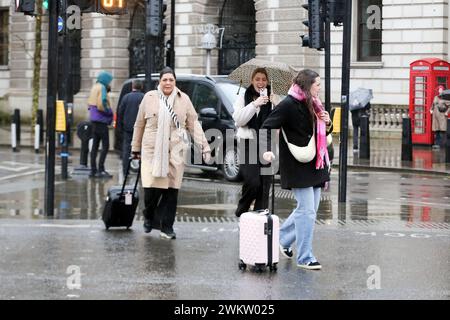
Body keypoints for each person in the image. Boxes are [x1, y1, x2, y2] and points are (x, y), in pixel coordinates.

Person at [261, 69, 332, 270]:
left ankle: (282, 239)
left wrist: (327, 123)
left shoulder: (315, 104)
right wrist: (267, 151)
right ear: (308, 86)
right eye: (317, 84)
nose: (320, 87)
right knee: (307, 211)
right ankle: (305, 256)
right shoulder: (288, 105)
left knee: (308, 211)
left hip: (316, 162)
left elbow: (322, 132)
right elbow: (266, 126)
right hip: (297, 164)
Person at [131, 67, 211, 239]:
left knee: (171, 191)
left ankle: (167, 227)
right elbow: (139, 125)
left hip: (175, 150)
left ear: (175, 82)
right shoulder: (149, 98)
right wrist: (135, 149)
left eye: (171, 80)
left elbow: (194, 125)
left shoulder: (184, 100)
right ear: (159, 82)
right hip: (152, 151)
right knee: (151, 190)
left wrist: (204, 146)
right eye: (164, 80)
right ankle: (149, 215)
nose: (168, 83)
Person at [232, 68, 281, 217]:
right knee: (253, 182)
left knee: (264, 186)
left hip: (267, 144)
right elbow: (239, 120)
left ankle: (260, 216)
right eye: (257, 79)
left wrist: (276, 104)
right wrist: (255, 104)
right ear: (252, 81)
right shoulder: (243, 97)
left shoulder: (273, 99)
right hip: (248, 143)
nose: (261, 82)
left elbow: (280, 120)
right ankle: (242, 210)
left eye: (264, 80)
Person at [87, 70, 114, 178]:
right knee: (105, 146)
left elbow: (90, 104)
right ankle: (101, 169)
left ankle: (93, 170)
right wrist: (109, 112)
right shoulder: (102, 87)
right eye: (109, 81)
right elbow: (102, 103)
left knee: (95, 146)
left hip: (93, 120)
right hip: (101, 121)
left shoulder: (94, 87)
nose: (109, 83)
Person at [117, 79, 144, 175]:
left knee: (127, 150)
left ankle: (125, 170)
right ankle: (141, 171)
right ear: (141, 87)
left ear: (133, 86)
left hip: (127, 128)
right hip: (140, 128)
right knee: (141, 149)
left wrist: (120, 126)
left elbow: (120, 112)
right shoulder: (143, 97)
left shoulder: (126, 97)